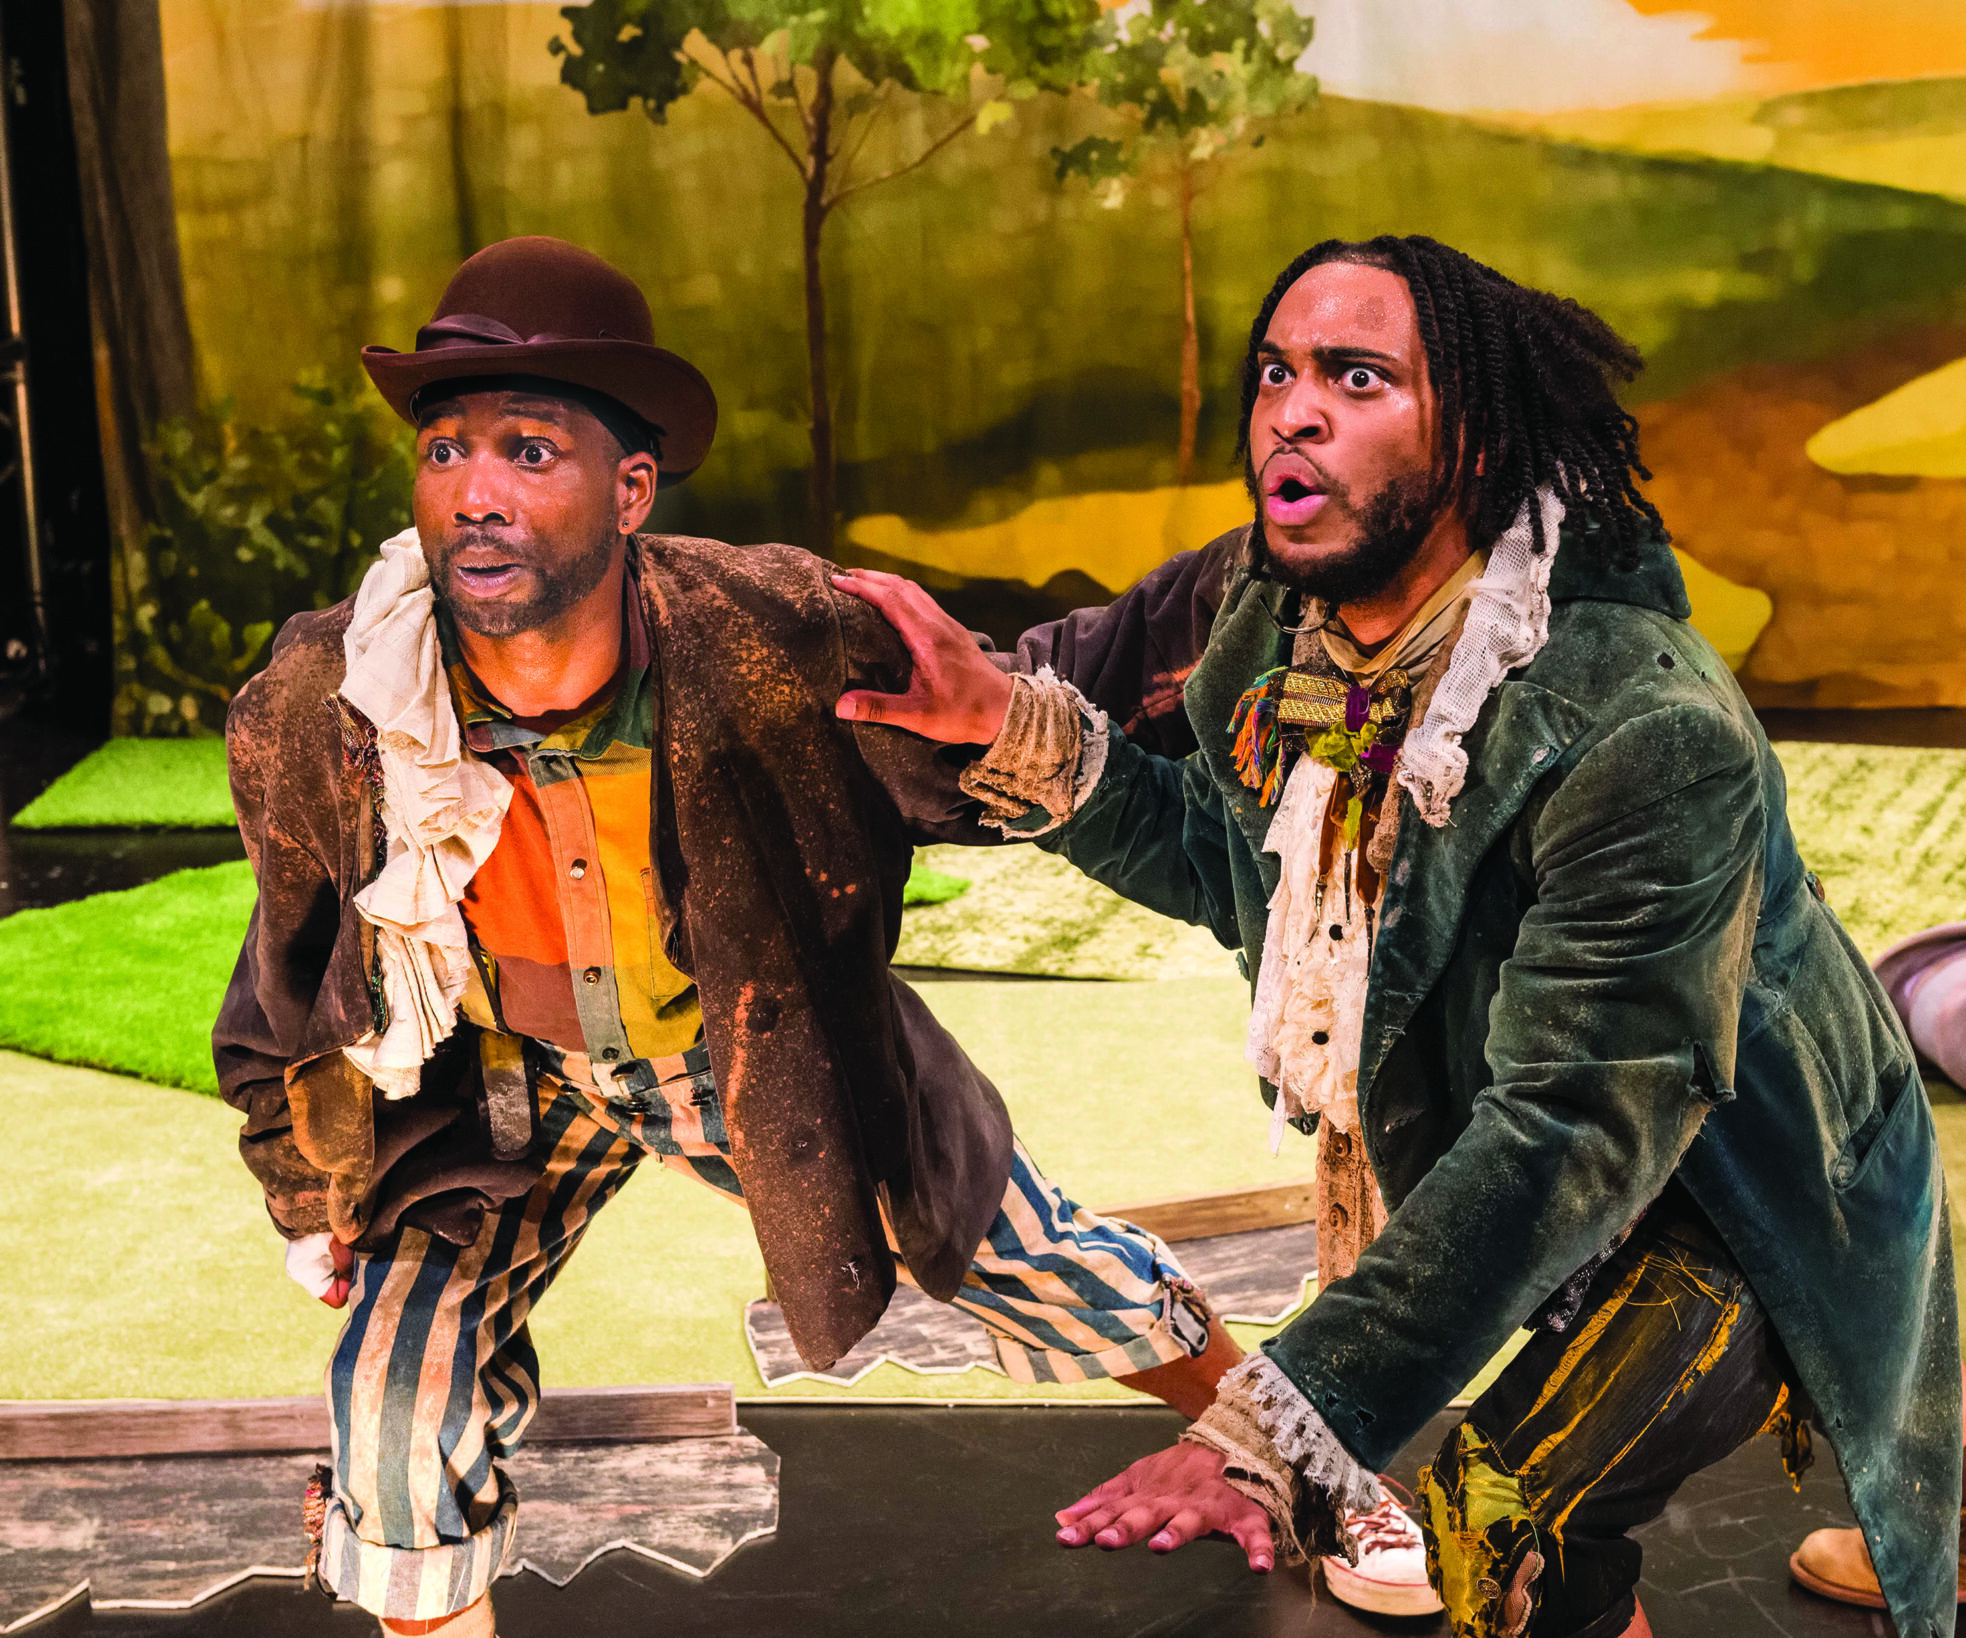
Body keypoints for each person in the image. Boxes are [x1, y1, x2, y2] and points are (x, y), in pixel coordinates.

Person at [835, 234, 1966, 1638]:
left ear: (1476, 442)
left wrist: (1278, 1420)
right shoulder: (1280, 633)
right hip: (1551, 1120)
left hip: (1736, 1175)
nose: (1293, 410)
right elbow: (1232, 869)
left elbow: (1573, 1130)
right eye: (1277, 370)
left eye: (1357, 376)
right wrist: (1003, 721)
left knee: (1514, 1512)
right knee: (1881, 1349)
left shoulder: (1645, 726)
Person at [212, 235, 1245, 1638]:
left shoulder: (767, 631)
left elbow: (1037, 688)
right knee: (392, 1410)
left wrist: (1246, 575)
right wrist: (305, 1185)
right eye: (445, 450)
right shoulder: (329, 697)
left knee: (1028, 1253)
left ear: (631, 489)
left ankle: (1297, 1453)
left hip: (750, 1044)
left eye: (528, 450)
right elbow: (288, 962)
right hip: (499, 1085)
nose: (474, 492)